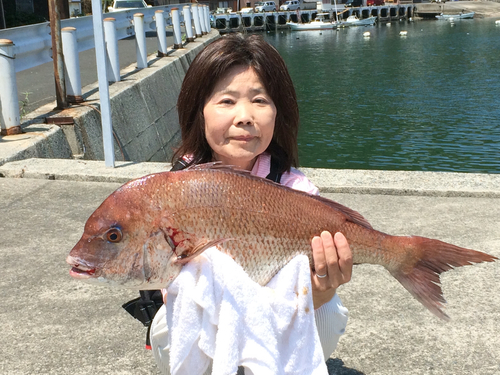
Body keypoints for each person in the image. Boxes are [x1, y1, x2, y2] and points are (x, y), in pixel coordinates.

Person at [149, 33, 353, 374]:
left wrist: (321, 288)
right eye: (226, 101)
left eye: (259, 100)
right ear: (198, 111)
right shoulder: (176, 189)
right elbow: (171, 288)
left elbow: (309, 295)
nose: (244, 116)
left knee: (328, 313)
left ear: (278, 113)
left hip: (279, 313)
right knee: (165, 328)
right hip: (207, 315)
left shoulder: (297, 191)